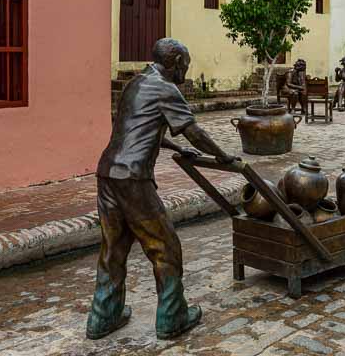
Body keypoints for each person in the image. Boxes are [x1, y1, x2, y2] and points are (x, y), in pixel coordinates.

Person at [86, 38, 238, 341]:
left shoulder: (135, 83)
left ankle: (103, 317)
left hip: (107, 173)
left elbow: (136, 127)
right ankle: (172, 317)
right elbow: (194, 130)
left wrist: (172, 145)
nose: (187, 70)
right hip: (133, 179)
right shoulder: (167, 88)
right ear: (177, 62)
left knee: (113, 249)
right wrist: (223, 156)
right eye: (187, 64)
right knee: (166, 248)